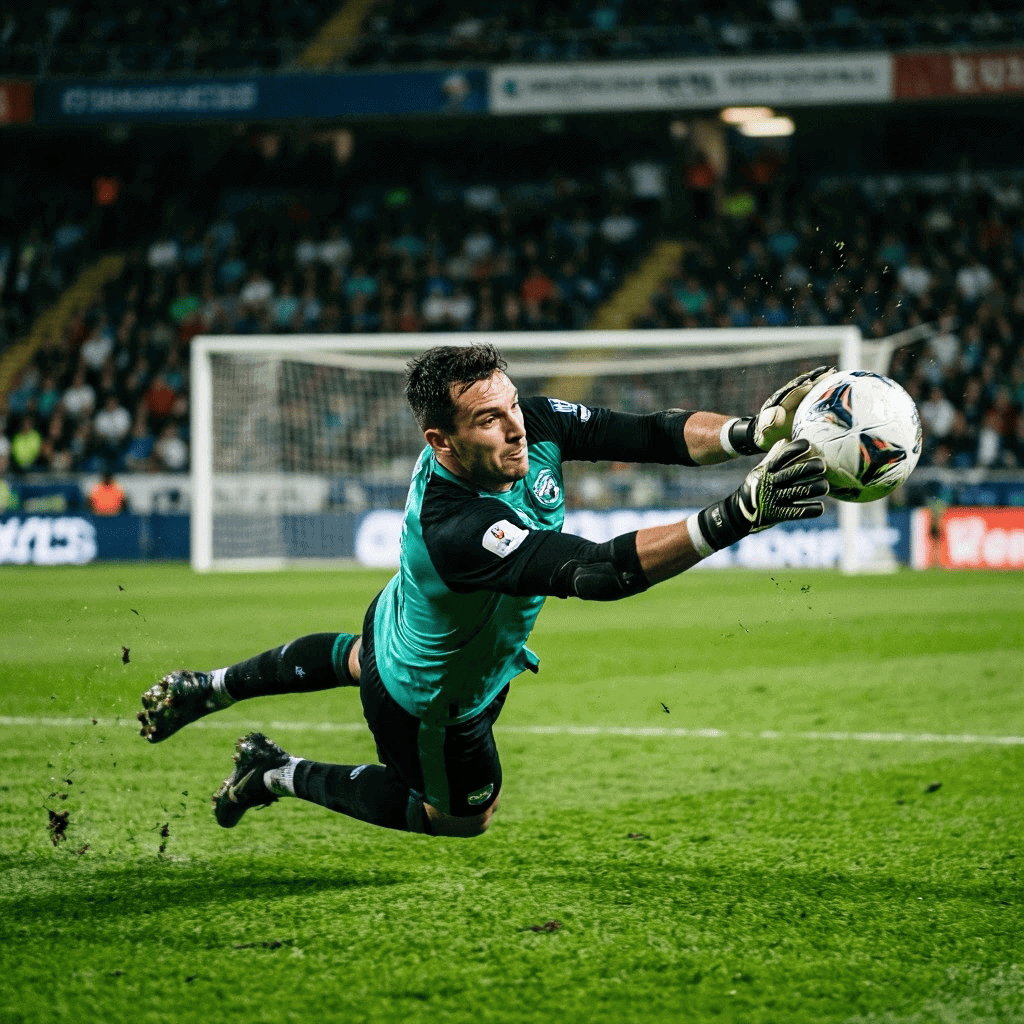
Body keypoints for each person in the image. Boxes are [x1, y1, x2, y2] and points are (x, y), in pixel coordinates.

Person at [138, 345, 831, 838]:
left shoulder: (530, 422)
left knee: (358, 655)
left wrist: (751, 431)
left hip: (404, 618)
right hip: (431, 698)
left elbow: (652, 433)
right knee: (461, 817)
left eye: (511, 404)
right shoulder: (455, 526)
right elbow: (595, 572)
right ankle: (273, 773)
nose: (516, 426)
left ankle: (212, 686)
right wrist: (736, 515)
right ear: (441, 441)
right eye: (488, 419)